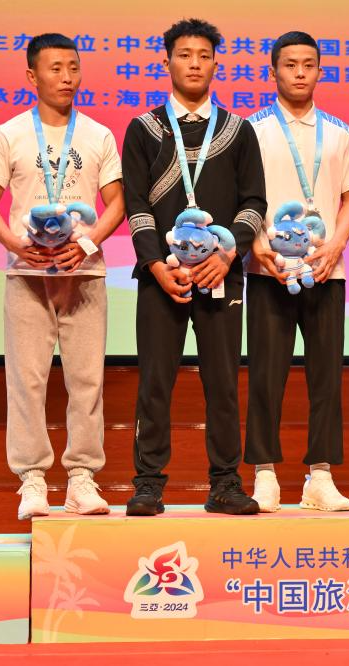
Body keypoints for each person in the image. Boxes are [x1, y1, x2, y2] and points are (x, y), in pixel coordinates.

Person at [0, 33, 124, 520]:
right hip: (28, 275)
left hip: (85, 275)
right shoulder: (9, 134)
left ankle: (81, 478)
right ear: (31, 76)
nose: (66, 77)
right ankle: (33, 480)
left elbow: (117, 202)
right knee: (27, 381)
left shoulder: (98, 135)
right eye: (55, 68)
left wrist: (87, 243)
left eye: (73, 68)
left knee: (87, 381)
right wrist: (15, 244)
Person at [121, 18, 266, 516]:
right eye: (185, 55)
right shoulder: (143, 129)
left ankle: (225, 484)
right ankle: (147, 485)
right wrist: (155, 264)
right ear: (167, 62)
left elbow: (254, 202)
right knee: (154, 382)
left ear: (216, 63)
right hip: (160, 278)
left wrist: (227, 256)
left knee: (222, 383)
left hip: (221, 277)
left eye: (204, 55)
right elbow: (136, 204)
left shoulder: (238, 130)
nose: (195, 64)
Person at [245, 31, 349, 512]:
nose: (299, 72)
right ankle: (264, 473)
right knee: (265, 376)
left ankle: (321, 475)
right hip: (268, 270)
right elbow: (242, 198)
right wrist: (257, 247)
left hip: (326, 270)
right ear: (273, 70)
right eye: (290, 64)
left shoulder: (340, 132)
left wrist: (336, 245)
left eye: (308, 64)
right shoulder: (251, 129)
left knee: (326, 378)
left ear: (319, 70)